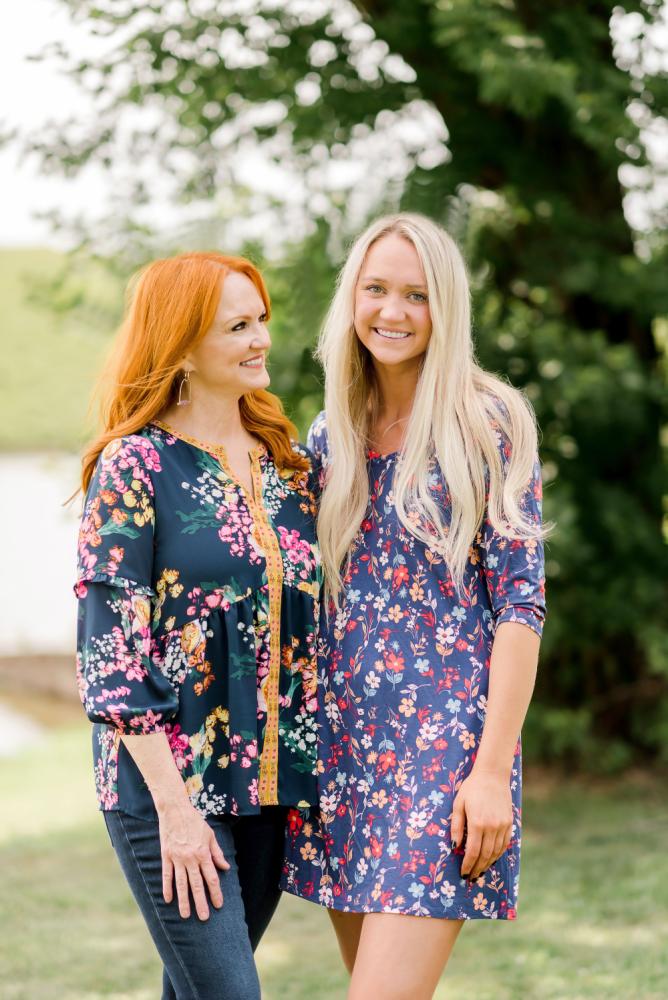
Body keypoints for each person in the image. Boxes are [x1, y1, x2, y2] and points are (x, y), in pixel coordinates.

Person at [280, 214, 547, 999]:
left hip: (445, 761)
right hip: (346, 756)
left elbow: (520, 610)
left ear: (447, 307)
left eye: (416, 295)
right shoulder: (333, 434)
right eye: (376, 289)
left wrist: (492, 771)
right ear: (351, 299)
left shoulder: (487, 422)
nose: (392, 312)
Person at [74, 252, 321, 1000]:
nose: (260, 340)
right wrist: (177, 816)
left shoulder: (292, 469)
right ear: (181, 346)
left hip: (270, 785)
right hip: (166, 789)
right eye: (237, 327)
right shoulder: (136, 466)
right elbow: (110, 651)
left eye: (261, 322)